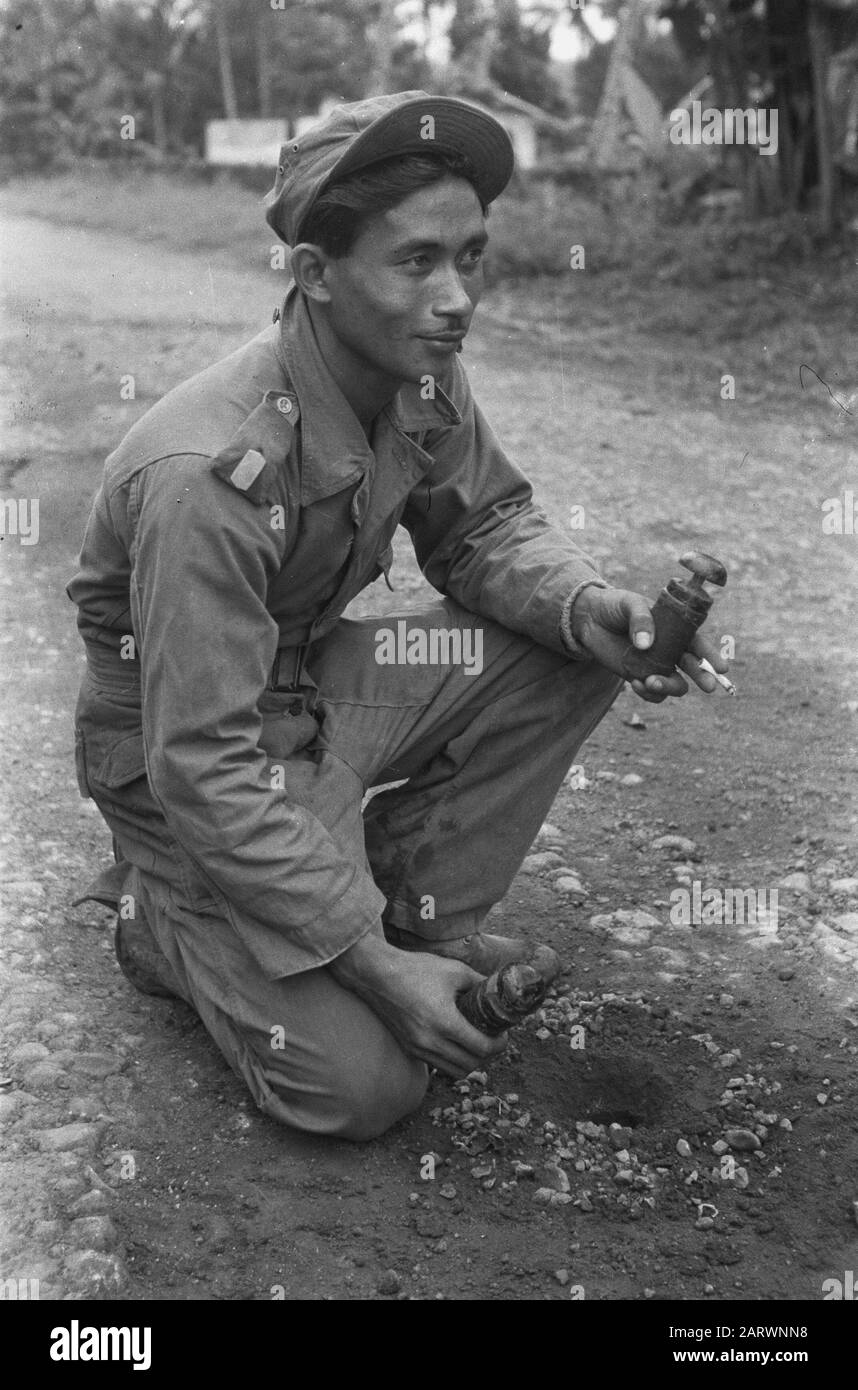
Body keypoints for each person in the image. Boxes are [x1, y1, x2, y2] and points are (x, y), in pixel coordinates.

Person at [68, 92, 729, 1141]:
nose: (457, 296)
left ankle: (416, 914)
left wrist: (591, 606)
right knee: (364, 1086)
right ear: (317, 276)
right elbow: (202, 761)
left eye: (472, 256)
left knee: (567, 648)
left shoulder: (419, 372)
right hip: (186, 754)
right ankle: (163, 923)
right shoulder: (209, 472)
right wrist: (369, 969)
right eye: (417, 262)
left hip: (306, 693)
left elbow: (484, 529)